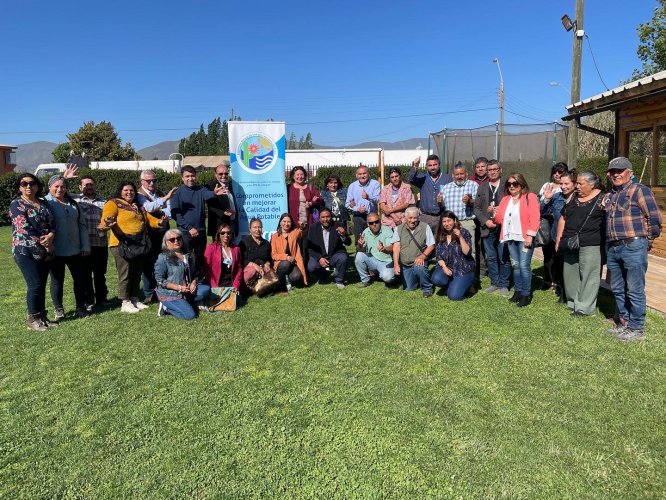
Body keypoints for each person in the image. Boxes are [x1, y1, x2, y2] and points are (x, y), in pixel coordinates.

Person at [603, 157, 662, 341]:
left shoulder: (639, 190)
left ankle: (637, 328)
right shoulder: (611, 195)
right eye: (613, 171)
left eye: (620, 171)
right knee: (618, 288)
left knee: (634, 289)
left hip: (633, 245)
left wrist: (647, 239)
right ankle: (625, 323)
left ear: (630, 173)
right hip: (613, 247)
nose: (616, 174)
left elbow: (654, 217)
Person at [102, 180, 161, 313]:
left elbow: (150, 219)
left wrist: (159, 222)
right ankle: (125, 301)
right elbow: (107, 217)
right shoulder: (113, 203)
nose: (129, 192)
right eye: (126, 190)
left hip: (138, 243)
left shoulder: (137, 206)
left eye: (132, 190)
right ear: (120, 191)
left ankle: (134, 298)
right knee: (126, 272)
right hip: (121, 244)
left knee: (136, 271)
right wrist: (108, 222)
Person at [10, 173, 56, 330]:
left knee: (41, 284)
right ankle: (32, 318)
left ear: (37, 186)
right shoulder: (16, 204)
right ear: (20, 187)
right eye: (24, 183)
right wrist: (44, 241)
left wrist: (50, 236)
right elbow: (22, 227)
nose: (28, 186)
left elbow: (52, 223)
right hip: (25, 250)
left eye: (32, 183)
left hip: (45, 250)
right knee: (34, 283)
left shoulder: (43, 203)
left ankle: (42, 316)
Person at [556, 171, 604, 317]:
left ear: (592, 184)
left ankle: (584, 308)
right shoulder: (573, 198)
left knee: (589, 275)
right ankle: (573, 302)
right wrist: (558, 239)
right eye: (576, 183)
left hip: (591, 243)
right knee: (570, 273)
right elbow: (563, 218)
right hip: (569, 242)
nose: (576, 186)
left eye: (580, 184)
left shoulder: (603, 198)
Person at [45, 175, 90, 320]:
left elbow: (81, 225)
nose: (59, 189)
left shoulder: (72, 203)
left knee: (80, 279)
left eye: (62, 186)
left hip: (75, 249)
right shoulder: (45, 203)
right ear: (49, 187)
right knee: (57, 280)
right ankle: (59, 309)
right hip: (55, 250)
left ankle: (80, 307)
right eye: (56, 186)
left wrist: (85, 245)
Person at [493, 173, 540, 307]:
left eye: (515, 183)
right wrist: (494, 214)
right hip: (510, 238)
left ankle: (526, 294)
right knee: (516, 266)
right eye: (509, 184)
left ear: (521, 184)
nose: (512, 186)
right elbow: (499, 220)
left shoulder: (529, 197)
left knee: (524, 266)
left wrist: (530, 236)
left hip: (524, 238)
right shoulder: (505, 199)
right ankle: (518, 291)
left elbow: (535, 217)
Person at [170, 166, 225, 271]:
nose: (190, 178)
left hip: (200, 231)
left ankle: (200, 281)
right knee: (186, 260)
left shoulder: (201, 189)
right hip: (185, 232)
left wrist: (214, 193)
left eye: (192, 176)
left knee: (200, 259)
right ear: (182, 178)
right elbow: (175, 214)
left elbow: (208, 194)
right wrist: (189, 228)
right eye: (187, 176)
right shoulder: (177, 193)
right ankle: (187, 282)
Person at [137, 170, 175, 303]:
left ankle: (162, 288)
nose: (152, 183)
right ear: (142, 182)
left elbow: (168, 209)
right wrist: (164, 201)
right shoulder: (138, 194)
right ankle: (149, 292)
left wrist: (165, 211)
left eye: (154, 180)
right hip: (149, 234)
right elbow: (149, 208)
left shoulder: (159, 193)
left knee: (165, 259)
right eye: (148, 181)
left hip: (163, 232)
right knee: (148, 263)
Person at [72, 175, 111, 310]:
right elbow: (58, 192)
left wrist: (107, 226)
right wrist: (64, 176)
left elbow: (109, 220)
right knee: (85, 274)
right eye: (86, 184)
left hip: (100, 243)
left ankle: (102, 299)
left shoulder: (104, 202)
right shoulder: (75, 200)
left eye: (91, 184)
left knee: (100, 274)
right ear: (80, 187)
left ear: (95, 186)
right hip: (84, 244)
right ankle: (89, 301)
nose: (89, 187)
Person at [154, 229, 210, 320]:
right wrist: (179, 288)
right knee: (190, 315)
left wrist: (193, 283)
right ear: (166, 243)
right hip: (171, 293)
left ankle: (186, 301)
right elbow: (160, 280)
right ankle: (166, 308)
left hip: (187, 289)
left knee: (206, 289)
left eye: (178, 238)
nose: (176, 241)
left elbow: (195, 273)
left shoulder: (188, 255)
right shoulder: (163, 258)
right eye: (172, 240)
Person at [474, 159, 510, 297]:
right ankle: (495, 282)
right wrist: (485, 221)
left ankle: (504, 284)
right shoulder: (482, 187)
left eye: (495, 169)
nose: (492, 172)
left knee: (503, 257)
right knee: (491, 257)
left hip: (502, 227)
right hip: (487, 227)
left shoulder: (507, 186)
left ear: (500, 170)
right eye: (490, 170)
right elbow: (476, 208)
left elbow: (513, 203)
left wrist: (500, 211)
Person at [541, 170, 576, 303]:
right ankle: (561, 291)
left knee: (570, 267)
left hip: (572, 239)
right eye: (561, 183)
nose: (563, 186)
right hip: (557, 237)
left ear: (574, 184)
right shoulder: (557, 197)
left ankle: (570, 293)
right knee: (559, 265)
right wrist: (546, 199)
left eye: (567, 183)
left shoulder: (579, 198)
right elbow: (542, 211)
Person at [431, 211, 476, 300]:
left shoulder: (463, 232)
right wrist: (444, 267)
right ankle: (453, 283)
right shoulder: (441, 234)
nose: (446, 224)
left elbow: (467, 252)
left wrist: (460, 237)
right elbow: (439, 255)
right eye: (444, 222)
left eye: (449, 221)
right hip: (449, 268)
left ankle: (469, 284)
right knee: (436, 278)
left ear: (454, 220)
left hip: (463, 269)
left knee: (454, 296)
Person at [391, 207, 435, 297]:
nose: (413, 220)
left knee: (420, 267)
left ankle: (427, 288)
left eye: (415, 218)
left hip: (418, 260)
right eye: (410, 218)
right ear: (405, 218)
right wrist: (396, 264)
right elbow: (396, 248)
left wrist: (422, 256)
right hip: (405, 264)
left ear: (418, 217)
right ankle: (418, 279)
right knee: (409, 288)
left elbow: (431, 245)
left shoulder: (425, 227)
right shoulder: (398, 229)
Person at [538, 162, 569, 290]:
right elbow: (541, 204)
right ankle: (547, 280)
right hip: (547, 223)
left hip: (559, 224)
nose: (557, 174)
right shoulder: (547, 186)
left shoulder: (565, 190)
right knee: (547, 252)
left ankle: (558, 282)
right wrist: (546, 200)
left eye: (560, 172)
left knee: (559, 254)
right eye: (555, 172)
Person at [306, 208, 351, 289]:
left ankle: (339, 280)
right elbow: (310, 248)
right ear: (319, 218)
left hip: (335, 254)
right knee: (311, 267)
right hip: (320, 255)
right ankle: (323, 275)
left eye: (328, 217)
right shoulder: (313, 228)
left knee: (343, 258)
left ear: (331, 217)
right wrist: (319, 258)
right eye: (323, 217)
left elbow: (349, 242)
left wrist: (344, 235)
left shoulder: (338, 225)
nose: (325, 219)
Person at [441, 162, 478, 259]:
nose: (459, 176)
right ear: (453, 175)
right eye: (457, 174)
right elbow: (442, 206)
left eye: (461, 174)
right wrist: (439, 202)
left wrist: (470, 201)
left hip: (467, 222)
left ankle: (470, 272)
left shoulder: (473, 185)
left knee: (469, 249)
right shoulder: (446, 187)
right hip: (450, 224)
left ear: (466, 174)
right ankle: (453, 271)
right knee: (451, 249)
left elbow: (479, 204)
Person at [408, 154, 453, 234]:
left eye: (435, 165)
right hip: (425, 217)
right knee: (425, 244)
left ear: (439, 165)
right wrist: (415, 166)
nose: (432, 167)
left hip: (441, 217)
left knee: (440, 243)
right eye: (430, 165)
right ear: (426, 166)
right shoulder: (423, 178)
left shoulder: (447, 179)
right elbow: (411, 179)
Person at [354, 212, 395, 287]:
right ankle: (365, 280)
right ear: (368, 224)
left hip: (386, 261)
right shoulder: (366, 232)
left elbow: (392, 247)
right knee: (359, 255)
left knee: (388, 279)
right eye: (371, 223)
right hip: (372, 260)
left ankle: (381, 274)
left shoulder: (387, 231)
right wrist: (360, 245)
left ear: (380, 221)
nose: (374, 224)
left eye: (376, 222)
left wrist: (384, 249)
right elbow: (361, 249)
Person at [345, 165, 381, 249]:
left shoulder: (375, 184)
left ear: (368, 174)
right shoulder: (352, 186)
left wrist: (369, 197)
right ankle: (359, 258)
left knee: (373, 237)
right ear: (356, 175)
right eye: (360, 174)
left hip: (372, 216)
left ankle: (373, 257)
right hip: (358, 217)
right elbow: (347, 204)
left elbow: (379, 199)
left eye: (364, 173)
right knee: (359, 239)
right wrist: (357, 208)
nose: (362, 176)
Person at [270, 213, 307, 292]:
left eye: (288, 222)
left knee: (296, 276)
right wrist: (286, 257)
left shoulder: (294, 233)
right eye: (284, 221)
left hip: (293, 263)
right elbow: (273, 255)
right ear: (280, 222)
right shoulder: (274, 236)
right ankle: (279, 286)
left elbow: (301, 232)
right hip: (281, 264)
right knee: (286, 263)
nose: (286, 224)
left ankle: (287, 281)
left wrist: (302, 226)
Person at [203, 223, 243, 295]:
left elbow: (239, 269)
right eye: (222, 233)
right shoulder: (211, 248)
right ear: (218, 235)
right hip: (216, 283)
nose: (226, 235)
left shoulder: (236, 249)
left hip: (230, 283)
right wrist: (214, 286)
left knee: (234, 302)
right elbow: (206, 269)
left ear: (231, 234)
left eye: (228, 233)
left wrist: (235, 286)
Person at [240, 217, 274, 294]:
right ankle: (244, 289)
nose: (257, 230)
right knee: (252, 270)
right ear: (250, 229)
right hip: (249, 269)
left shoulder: (266, 244)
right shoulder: (244, 243)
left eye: (259, 227)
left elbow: (269, 258)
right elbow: (241, 260)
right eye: (255, 227)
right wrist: (254, 265)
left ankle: (263, 288)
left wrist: (267, 263)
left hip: (262, 269)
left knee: (269, 270)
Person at [206, 162, 238, 237]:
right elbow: (210, 206)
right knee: (219, 248)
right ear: (215, 174)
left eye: (226, 173)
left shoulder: (231, 185)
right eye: (220, 174)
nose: (224, 176)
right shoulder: (210, 186)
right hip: (219, 225)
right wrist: (223, 212)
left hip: (232, 222)